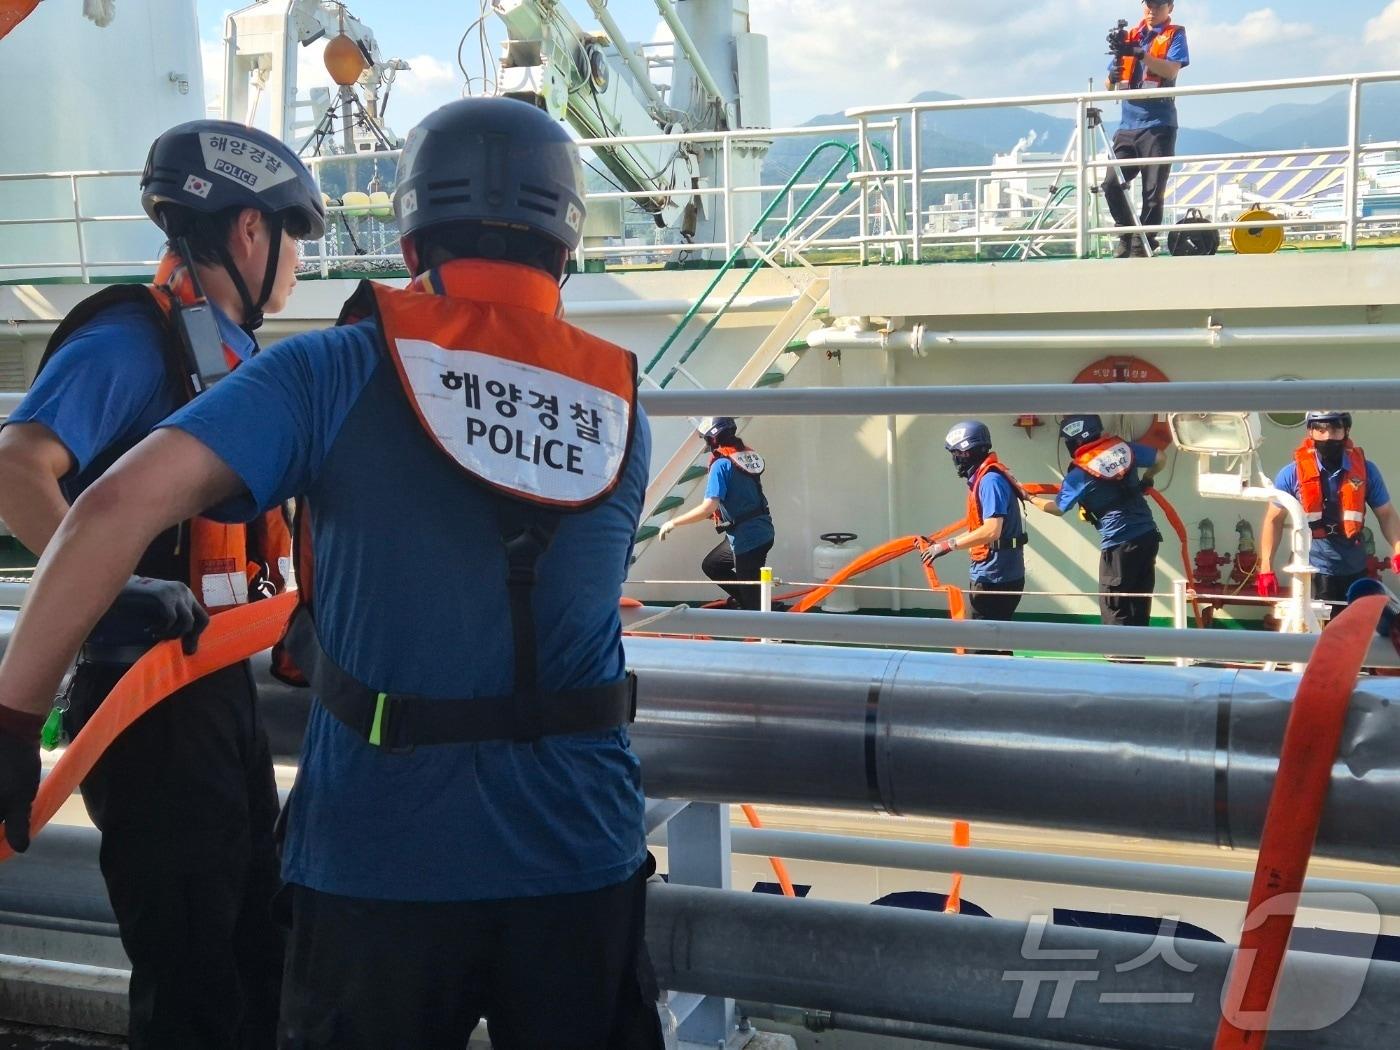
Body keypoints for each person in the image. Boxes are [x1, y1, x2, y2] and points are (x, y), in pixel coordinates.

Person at [0, 97, 662, 1050]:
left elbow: (107, 510)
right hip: (581, 857)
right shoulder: (619, 404)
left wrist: (16, 723)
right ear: (566, 247)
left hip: (378, 868)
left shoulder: (328, 370)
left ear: (410, 243)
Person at [0, 120, 323, 1050]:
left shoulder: (217, 352)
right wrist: (117, 591)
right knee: (192, 976)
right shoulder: (134, 340)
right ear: (249, 233)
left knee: (256, 944)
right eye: (293, 237)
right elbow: (20, 465)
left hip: (209, 689)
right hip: (145, 705)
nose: (298, 261)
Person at [1029, 414, 1165, 627]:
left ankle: (1118, 656)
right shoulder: (1122, 448)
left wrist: (1029, 498)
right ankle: (1138, 655)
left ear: (1074, 442)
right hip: (1148, 537)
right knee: (1139, 600)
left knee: (1115, 603)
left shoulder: (1080, 473)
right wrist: (1147, 478)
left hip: (1119, 543)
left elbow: (1057, 508)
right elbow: (1160, 458)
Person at [1257, 410, 1400, 606]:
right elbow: (1274, 520)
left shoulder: (1366, 471)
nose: (1327, 436)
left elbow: (1387, 514)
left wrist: (1398, 548)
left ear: (1346, 430)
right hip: (1312, 571)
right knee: (1317, 631)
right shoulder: (1291, 474)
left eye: (1335, 428)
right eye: (1320, 429)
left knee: (1354, 631)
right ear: (1310, 432)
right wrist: (1266, 567)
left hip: (1355, 567)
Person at [658, 416, 776, 611]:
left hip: (747, 540)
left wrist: (673, 523)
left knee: (756, 605)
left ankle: (772, 632)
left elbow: (708, 507)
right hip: (761, 531)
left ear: (712, 439)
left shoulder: (721, 465)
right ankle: (747, 601)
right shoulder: (744, 456)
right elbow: (737, 500)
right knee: (713, 566)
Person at [1103, 0, 1190, 257]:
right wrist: (1113, 77)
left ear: (1170, 7)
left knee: (1153, 191)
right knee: (1111, 183)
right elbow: (1108, 86)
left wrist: (1142, 54)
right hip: (1128, 125)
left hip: (1159, 124)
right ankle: (1127, 233)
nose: (1152, 10)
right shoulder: (1129, 36)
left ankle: (1145, 241)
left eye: (1158, 5)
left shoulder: (1175, 34)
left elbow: (1171, 70)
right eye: (1148, 4)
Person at [922, 421, 1029, 626]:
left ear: (975, 451)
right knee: (997, 640)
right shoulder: (986, 478)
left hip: (995, 578)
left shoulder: (990, 481)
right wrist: (940, 543)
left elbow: (991, 531)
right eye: (954, 453)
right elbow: (978, 528)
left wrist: (948, 546)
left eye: (960, 453)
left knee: (983, 644)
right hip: (996, 573)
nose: (956, 459)